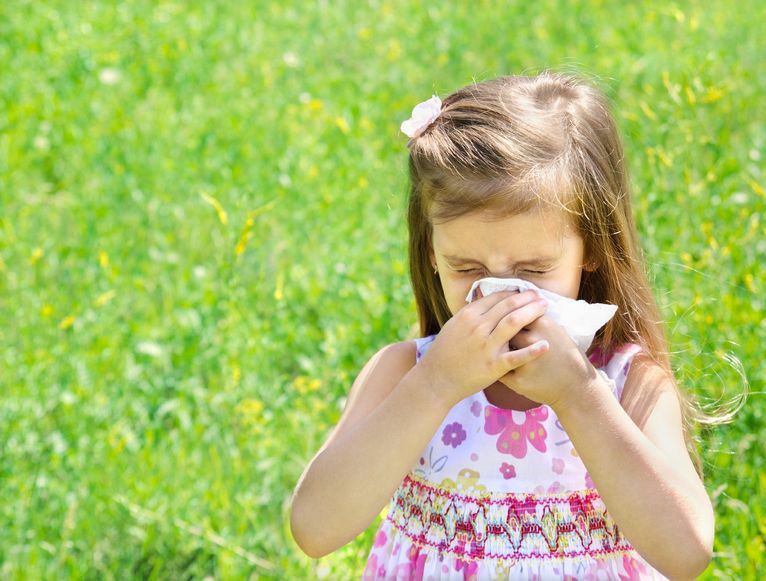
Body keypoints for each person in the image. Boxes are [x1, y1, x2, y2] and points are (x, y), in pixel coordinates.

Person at [290, 71, 720, 580]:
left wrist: (578, 396)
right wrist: (435, 386)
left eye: (534, 270)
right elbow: (315, 530)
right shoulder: (405, 372)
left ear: (592, 251)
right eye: (467, 268)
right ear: (431, 253)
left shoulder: (627, 382)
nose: (501, 294)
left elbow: (687, 552)